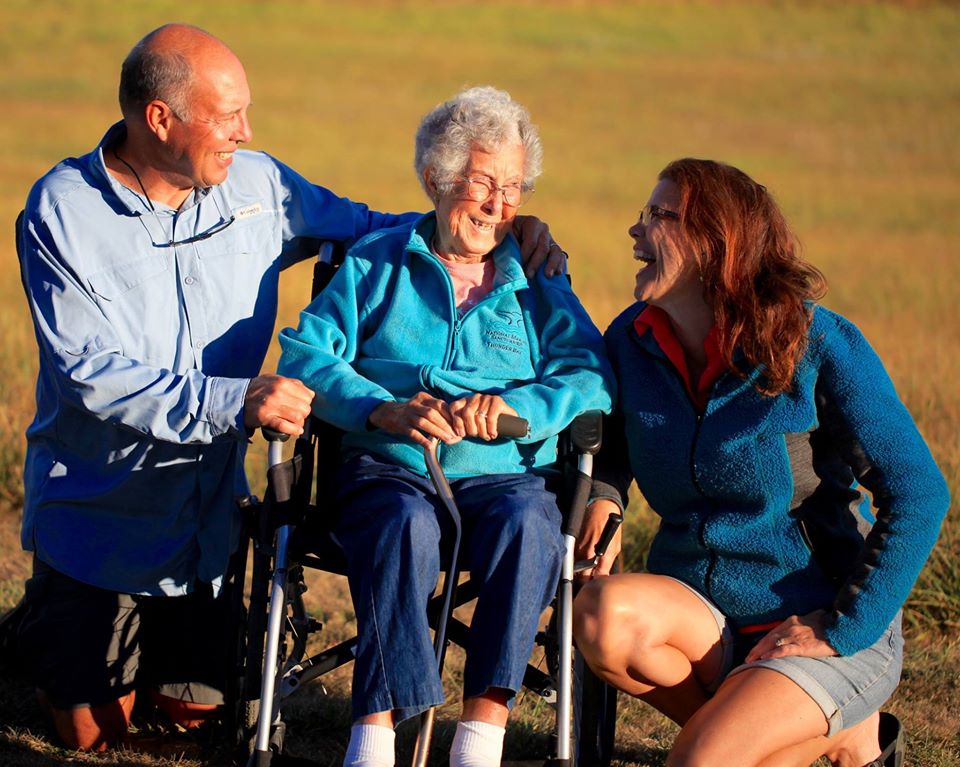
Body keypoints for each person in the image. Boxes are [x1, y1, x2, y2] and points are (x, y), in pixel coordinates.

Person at [12, 24, 564, 752]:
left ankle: (139, 643)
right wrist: (232, 398)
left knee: (195, 717)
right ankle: (40, 626)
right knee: (90, 733)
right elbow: (89, 374)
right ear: (160, 119)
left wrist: (493, 221)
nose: (247, 130)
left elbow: (378, 231)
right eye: (228, 115)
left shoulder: (259, 184)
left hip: (205, 531)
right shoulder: (62, 212)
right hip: (101, 518)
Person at [277, 85, 614, 767]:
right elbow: (306, 353)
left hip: (506, 471)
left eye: (514, 188)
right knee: (403, 525)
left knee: (531, 525)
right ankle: (373, 735)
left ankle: (479, 738)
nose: (499, 205)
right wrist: (380, 406)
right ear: (435, 177)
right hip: (393, 463)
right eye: (484, 182)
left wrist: (520, 413)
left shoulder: (537, 275)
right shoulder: (376, 262)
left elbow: (588, 375)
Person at [572, 158, 949, 767]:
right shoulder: (631, 340)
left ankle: (816, 725)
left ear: (715, 244)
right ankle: (809, 735)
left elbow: (920, 493)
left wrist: (843, 627)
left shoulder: (818, 343)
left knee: (700, 761)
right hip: (700, 609)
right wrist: (608, 495)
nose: (635, 232)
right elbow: (612, 441)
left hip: (817, 612)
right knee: (600, 616)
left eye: (658, 217)